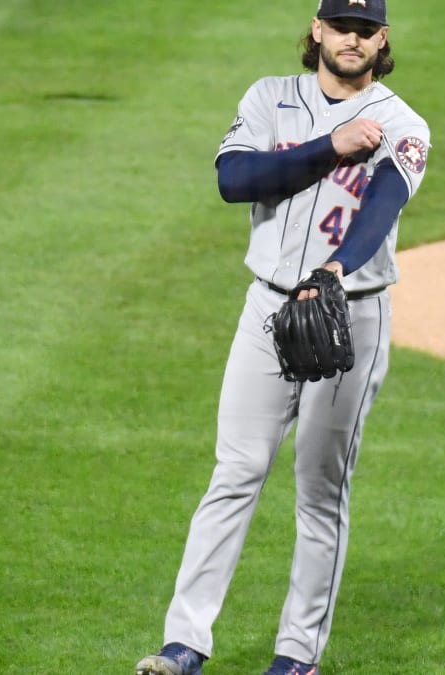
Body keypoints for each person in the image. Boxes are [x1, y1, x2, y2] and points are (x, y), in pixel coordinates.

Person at [135, 1, 429, 673]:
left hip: (348, 313)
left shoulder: (403, 124)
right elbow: (235, 180)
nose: (351, 39)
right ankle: (184, 643)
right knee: (234, 471)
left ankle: (297, 656)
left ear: (381, 39)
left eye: (365, 30)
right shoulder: (269, 98)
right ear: (318, 30)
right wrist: (331, 146)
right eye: (340, 25)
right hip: (265, 311)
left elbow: (384, 205)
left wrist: (333, 268)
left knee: (320, 485)